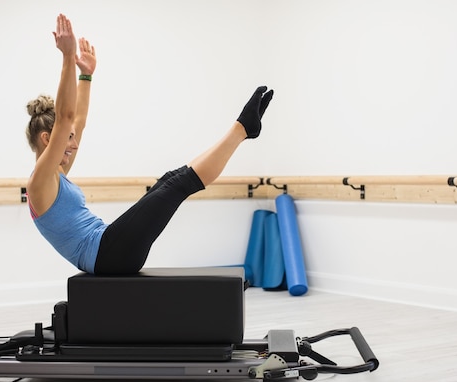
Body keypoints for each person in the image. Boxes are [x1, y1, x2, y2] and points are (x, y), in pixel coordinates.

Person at [25, 14, 273, 275]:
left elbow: (77, 121)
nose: (74, 145)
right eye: (68, 139)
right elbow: (65, 119)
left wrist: (85, 76)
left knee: (171, 178)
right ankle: (242, 129)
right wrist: (67, 57)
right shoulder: (39, 182)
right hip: (108, 255)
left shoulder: (56, 175)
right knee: (179, 185)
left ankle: (245, 129)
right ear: (46, 139)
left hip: (109, 247)